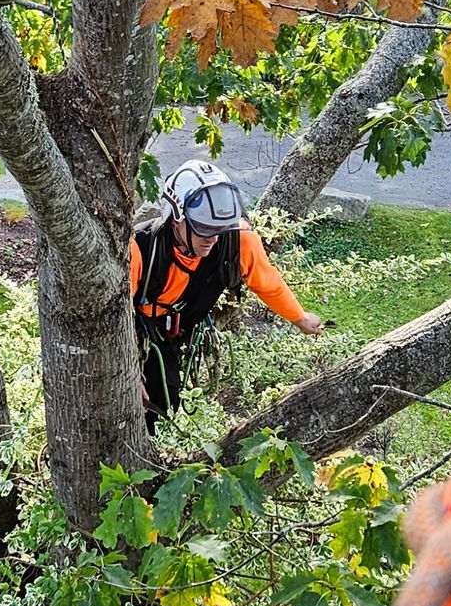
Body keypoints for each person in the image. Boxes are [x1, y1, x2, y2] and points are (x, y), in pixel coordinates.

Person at [130, 160, 323, 425]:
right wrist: (129, 373)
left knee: (165, 399)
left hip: (178, 326)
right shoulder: (140, 248)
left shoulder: (235, 239)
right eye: (203, 229)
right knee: (153, 400)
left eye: (218, 229)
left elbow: (267, 281)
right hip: (139, 328)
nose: (212, 239)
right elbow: (114, 317)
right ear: (176, 219)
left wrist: (299, 318)